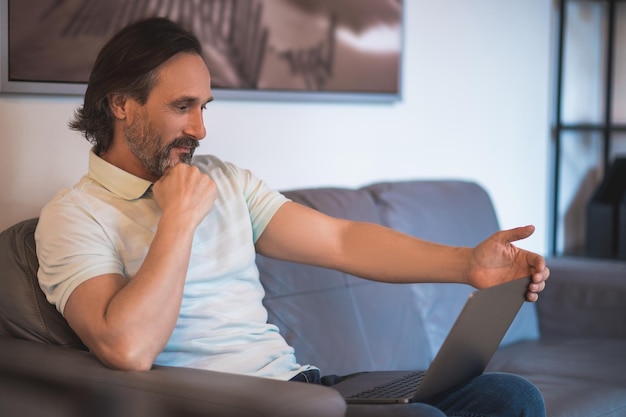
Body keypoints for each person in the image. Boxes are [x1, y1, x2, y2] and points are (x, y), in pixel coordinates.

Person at [35, 17, 549, 417]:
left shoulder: (225, 179)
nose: (200, 129)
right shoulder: (74, 216)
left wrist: (467, 265)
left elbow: (342, 240)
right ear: (121, 104)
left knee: (509, 397)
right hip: (233, 405)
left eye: (204, 107)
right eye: (182, 106)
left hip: (305, 391)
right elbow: (126, 348)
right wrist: (178, 219)